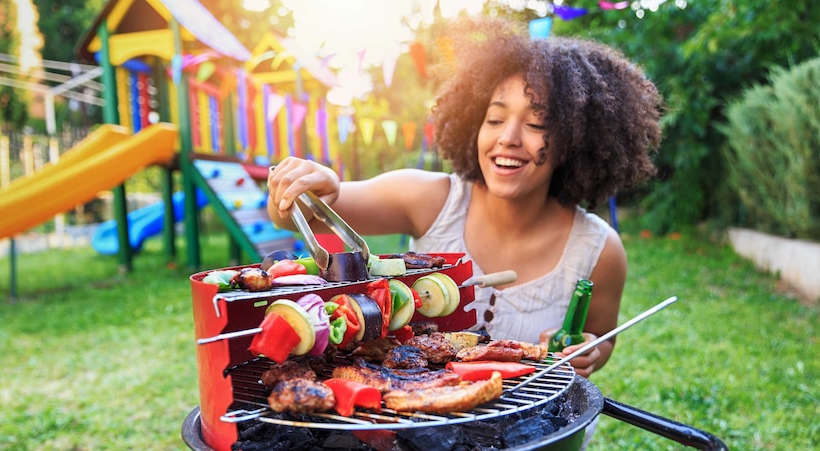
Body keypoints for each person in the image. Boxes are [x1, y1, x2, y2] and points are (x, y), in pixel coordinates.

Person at [267, 17, 663, 379]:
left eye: (536, 123)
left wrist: (588, 351)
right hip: (418, 429)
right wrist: (311, 185)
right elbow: (297, 215)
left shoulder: (598, 249)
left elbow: (602, 339)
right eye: (494, 118)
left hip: (533, 439)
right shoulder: (430, 199)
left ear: (574, 141)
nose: (508, 137)